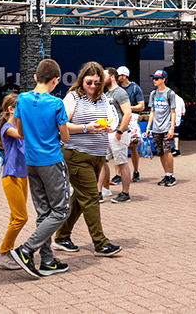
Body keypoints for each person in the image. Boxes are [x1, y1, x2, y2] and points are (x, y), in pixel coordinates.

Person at [52, 62, 123, 256]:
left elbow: (110, 119)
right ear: (82, 80)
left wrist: (108, 127)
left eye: (97, 83)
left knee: (80, 198)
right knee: (91, 197)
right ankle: (100, 243)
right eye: (89, 82)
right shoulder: (73, 97)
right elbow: (62, 126)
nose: (92, 86)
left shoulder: (102, 99)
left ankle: (61, 236)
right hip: (76, 155)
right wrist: (86, 127)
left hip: (97, 156)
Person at [8, 58, 71, 279]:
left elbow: (21, 132)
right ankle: (26, 250)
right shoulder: (56, 103)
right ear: (56, 80)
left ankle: (47, 261)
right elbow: (65, 135)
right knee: (62, 210)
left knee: (44, 211)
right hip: (51, 161)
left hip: (31, 161)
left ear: (35, 77)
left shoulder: (22, 99)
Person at [0, 93, 27, 270]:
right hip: (11, 176)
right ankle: (2, 252)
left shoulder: (19, 126)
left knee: (16, 217)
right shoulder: (7, 128)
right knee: (21, 217)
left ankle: (7, 252)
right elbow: (21, 135)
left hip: (23, 176)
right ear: (10, 109)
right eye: (21, 108)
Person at [102, 67, 133, 203]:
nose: (101, 79)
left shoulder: (120, 93)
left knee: (121, 163)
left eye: (104, 76)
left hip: (118, 133)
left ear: (112, 77)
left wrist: (120, 131)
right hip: (109, 133)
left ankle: (125, 193)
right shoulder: (107, 94)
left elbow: (128, 113)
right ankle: (100, 191)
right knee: (101, 160)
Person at [146, 70, 177, 186]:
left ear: (163, 79)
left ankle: (172, 175)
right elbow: (152, 111)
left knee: (167, 151)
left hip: (166, 127)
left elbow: (173, 112)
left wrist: (172, 128)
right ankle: (167, 174)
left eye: (157, 78)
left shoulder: (170, 93)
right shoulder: (153, 94)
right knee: (160, 153)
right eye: (154, 78)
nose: (154, 80)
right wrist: (148, 128)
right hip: (156, 128)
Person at [117, 66, 143, 183]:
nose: (117, 77)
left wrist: (128, 107)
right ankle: (118, 175)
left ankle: (136, 171)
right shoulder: (116, 88)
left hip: (131, 119)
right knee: (118, 147)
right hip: (119, 120)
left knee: (133, 147)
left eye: (118, 75)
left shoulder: (135, 88)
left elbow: (141, 106)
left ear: (124, 76)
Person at [173, 89, 186, 157]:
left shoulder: (170, 99)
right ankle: (176, 149)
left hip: (170, 119)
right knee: (176, 135)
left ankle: (168, 150)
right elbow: (183, 113)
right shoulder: (181, 100)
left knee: (168, 134)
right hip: (178, 119)